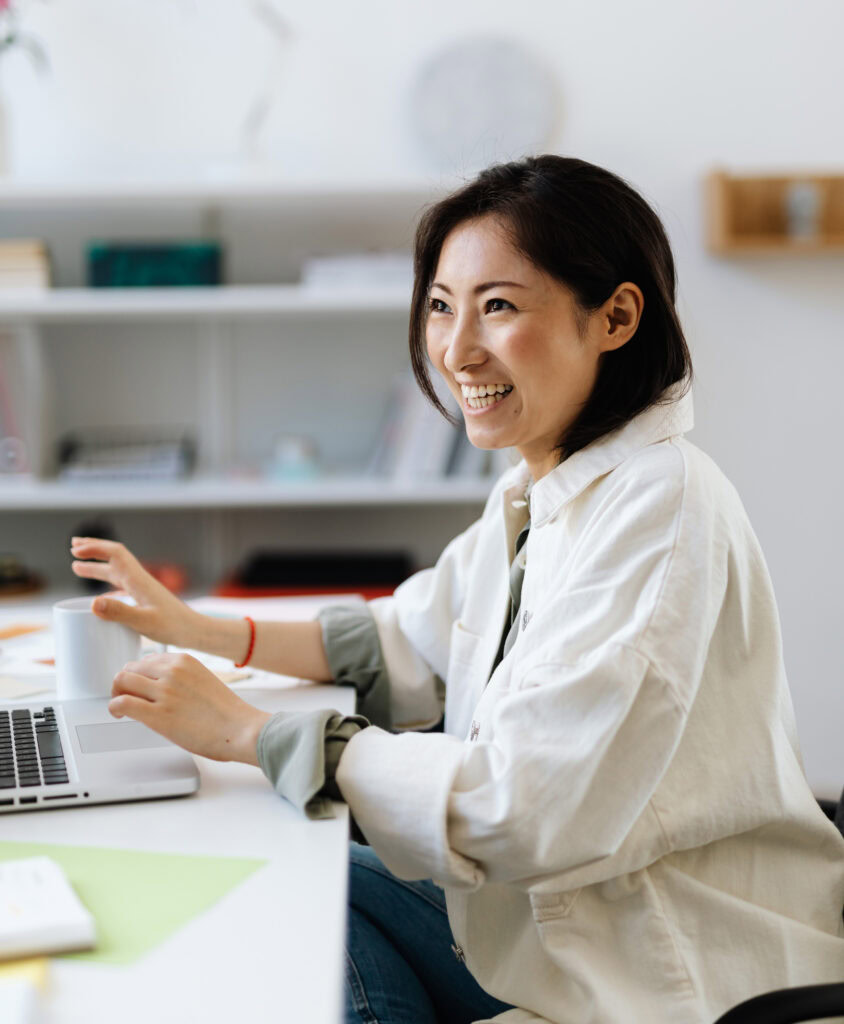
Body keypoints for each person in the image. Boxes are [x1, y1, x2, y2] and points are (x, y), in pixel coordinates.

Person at [69, 155, 844, 1024]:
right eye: (442, 306)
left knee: (301, 913)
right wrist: (199, 628)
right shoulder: (541, 488)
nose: (455, 349)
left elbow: (525, 808)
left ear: (617, 317)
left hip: (655, 963)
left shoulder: (661, 504)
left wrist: (254, 735)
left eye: (499, 306)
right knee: (309, 885)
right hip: (556, 922)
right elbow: (409, 637)